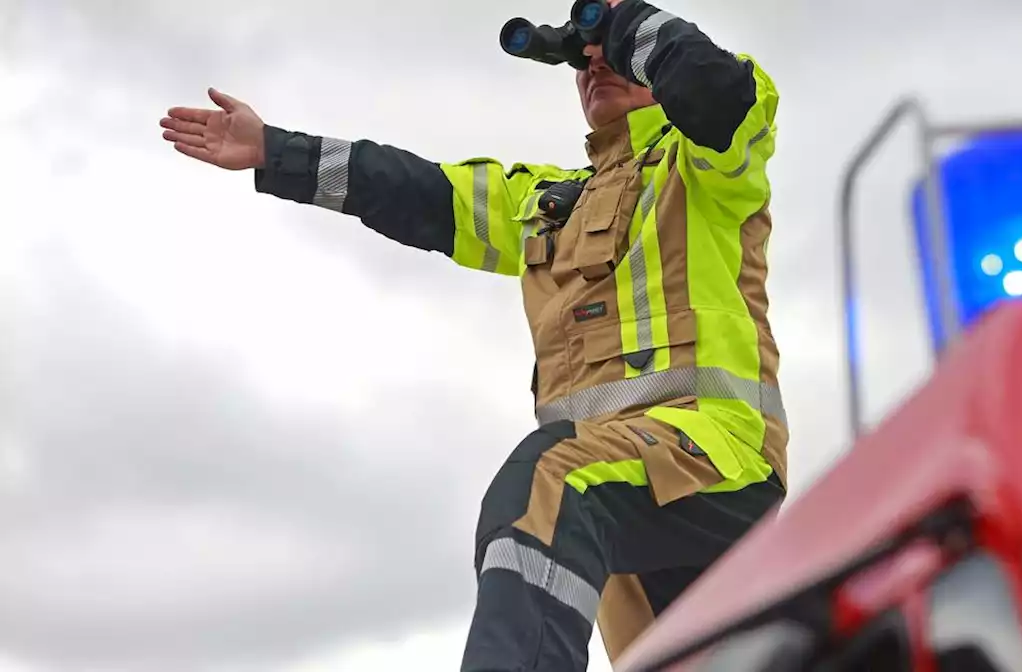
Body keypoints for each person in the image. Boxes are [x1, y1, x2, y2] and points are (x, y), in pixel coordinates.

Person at [159, 1, 787, 669]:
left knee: (544, 486)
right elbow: (418, 192)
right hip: (623, 498)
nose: (592, 69)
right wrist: (273, 151)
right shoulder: (545, 202)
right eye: (582, 63)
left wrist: (621, 21)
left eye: (612, 60)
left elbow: (718, 93)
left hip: (710, 461)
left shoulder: (708, 163)